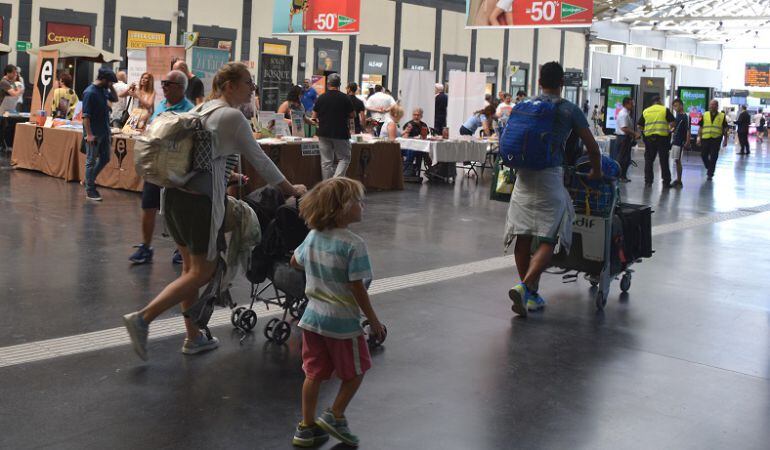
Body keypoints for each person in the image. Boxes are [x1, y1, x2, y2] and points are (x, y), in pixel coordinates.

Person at [122, 62, 307, 361]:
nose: (252, 88)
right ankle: (143, 318)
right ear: (230, 85)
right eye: (248, 82)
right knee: (202, 271)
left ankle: (193, 338)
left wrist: (227, 176)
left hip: (174, 198)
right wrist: (291, 190)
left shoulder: (201, 110)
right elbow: (261, 160)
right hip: (200, 204)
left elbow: (200, 160)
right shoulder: (232, 116)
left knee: (189, 272)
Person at [289, 176, 385, 449]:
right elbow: (358, 287)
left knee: (314, 373)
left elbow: (295, 261)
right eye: (357, 201)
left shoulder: (312, 236)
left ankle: (306, 428)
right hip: (342, 322)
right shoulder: (353, 244)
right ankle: (336, 414)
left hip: (312, 320)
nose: (362, 205)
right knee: (357, 370)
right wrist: (374, 320)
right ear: (341, 208)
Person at [506, 61, 602, 317]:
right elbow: (592, 147)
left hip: (523, 178)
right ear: (562, 83)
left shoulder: (523, 106)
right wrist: (596, 170)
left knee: (523, 235)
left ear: (539, 81)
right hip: (550, 177)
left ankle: (530, 292)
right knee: (550, 236)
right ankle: (526, 287)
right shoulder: (569, 109)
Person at [129, 70, 196, 265]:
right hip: (155, 167)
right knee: (148, 206)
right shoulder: (160, 105)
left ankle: (181, 248)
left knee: (177, 210)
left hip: (175, 169)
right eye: (163, 83)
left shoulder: (189, 111)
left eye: (168, 84)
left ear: (181, 88)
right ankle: (146, 247)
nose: (164, 87)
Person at [82, 68, 119, 201]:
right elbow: (85, 116)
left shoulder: (103, 89)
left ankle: (89, 180)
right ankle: (90, 190)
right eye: (109, 82)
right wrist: (89, 134)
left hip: (104, 130)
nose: (110, 84)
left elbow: (115, 98)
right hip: (94, 133)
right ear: (103, 79)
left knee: (106, 158)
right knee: (91, 161)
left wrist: (111, 87)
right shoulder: (90, 93)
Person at [312, 73, 354, 179]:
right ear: (339, 84)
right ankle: (335, 181)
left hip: (323, 132)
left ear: (327, 84)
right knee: (344, 158)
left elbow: (314, 116)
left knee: (326, 161)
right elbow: (352, 115)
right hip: (340, 133)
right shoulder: (345, 98)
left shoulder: (321, 98)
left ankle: (327, 185)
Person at [638, 96, 676, 187]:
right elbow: (673, 123)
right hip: (662, 138)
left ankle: (648, 181)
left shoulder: (646, 111)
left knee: (649, 160)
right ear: (659, 101)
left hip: (649, 139)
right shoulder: (664, 110)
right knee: (663, 160)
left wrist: (645, 133)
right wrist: (669, 130)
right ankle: (666, 182)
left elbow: (639, 125)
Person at [697, 99, 728, 181]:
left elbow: (725, 128)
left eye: (713, 104)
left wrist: (725, 140)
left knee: (714, 156)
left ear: (717, 106)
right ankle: (709, 166)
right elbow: (700, 127)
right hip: (705, 137)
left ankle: (710, 173)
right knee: (703, 154)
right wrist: (698, 137)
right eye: (710, 104)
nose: (711, 106)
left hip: (716, 138)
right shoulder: (705, 114)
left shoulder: (722, 116)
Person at [614, 96, 640, 183]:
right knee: (622, 158)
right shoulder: (623, 114)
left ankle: (623, 176)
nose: (633, 105)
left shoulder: (626, 113)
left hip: (626, 139)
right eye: (631, 103)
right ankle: (619, 176)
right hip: (623, 139)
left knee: (626, 158)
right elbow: (624, 128)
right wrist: (635, 133)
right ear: (626, 104)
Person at [400, 107, 429, 176]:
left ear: (421, 116)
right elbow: (404, 138)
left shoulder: (424, 125)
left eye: (418, 115)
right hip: (408, 147)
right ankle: (408, 170)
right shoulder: (409, 124)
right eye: (414, 115)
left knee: (425, 151)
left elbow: (425, 136)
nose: (416, 116)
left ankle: (430, 169)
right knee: (419, 152)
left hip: (420, 146)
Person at [669, 98, 691, 188]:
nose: (675, 108)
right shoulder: (678, 116)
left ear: (681, 105)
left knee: (678, 160)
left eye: (676, 106)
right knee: (676, 160)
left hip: (679, 141)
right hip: (675, 140)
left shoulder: (685, 116)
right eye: (674, 106)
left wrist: (687, 141)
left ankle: (679, 180)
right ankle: (678, 179)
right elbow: (675, 127)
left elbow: (688, 130)